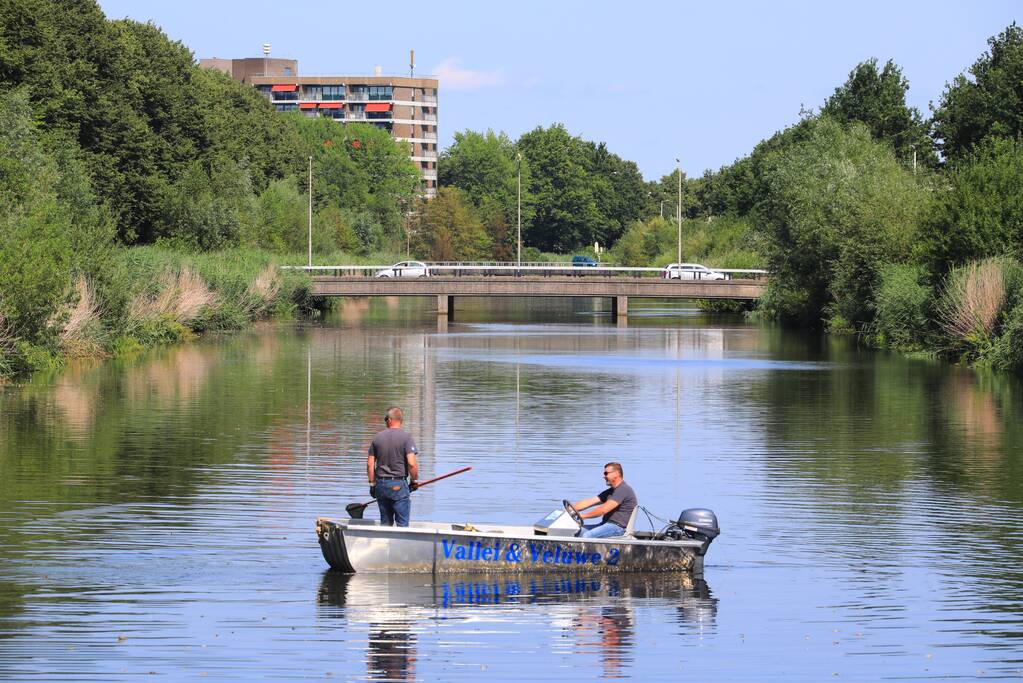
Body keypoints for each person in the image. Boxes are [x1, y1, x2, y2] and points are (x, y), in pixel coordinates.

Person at [367, 407, 419, 527]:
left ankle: (384, 544)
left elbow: (370, 464)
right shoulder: (407, 438)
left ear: (390, 420)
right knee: (402, 525)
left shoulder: (377, 438)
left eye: (385, 419)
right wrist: (414, 481)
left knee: (385, 524)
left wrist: (372, 485)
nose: (385, 421)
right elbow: (412, 463)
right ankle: (400, 544)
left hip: (381, 486)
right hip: (399, 486)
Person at [571, 462, 637, 538]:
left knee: (587, 535)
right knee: (576, 531)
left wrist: (583, 516)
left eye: (606, 473)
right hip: (605, 524)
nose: (604, 476)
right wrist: (570, 509)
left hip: (618, 527)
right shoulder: (611, 491)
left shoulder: (623, 490)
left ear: (616, 474)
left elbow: (603, 510)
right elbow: (589, 502)